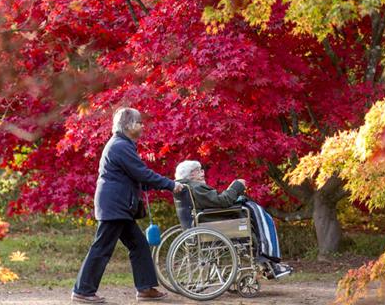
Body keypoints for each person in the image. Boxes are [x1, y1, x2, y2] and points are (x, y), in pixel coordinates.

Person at [72, 108, 186, 303]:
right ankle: (83, 291)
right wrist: (170, 184)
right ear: (128, 125)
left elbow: (133, 176)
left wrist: (149, 185)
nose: (142, 126)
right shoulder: (120, 146)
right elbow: (142, 173)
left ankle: (145, 288)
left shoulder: (122, 145)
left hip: (118, 205)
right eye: (139, 122)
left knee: (139, 245)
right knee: (102, 248)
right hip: (114, 206)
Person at [174, 160, 293, 279]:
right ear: (192, 174)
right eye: (199, 170)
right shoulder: (196, 187)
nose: (203, 172)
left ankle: (266, 263)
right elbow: (223, 201)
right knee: (249, 218)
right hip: (213, 224)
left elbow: (216, 201)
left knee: (247, 218)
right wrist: (237, 186)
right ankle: (268, 261)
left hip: (205, 223)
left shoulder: (185, 188)